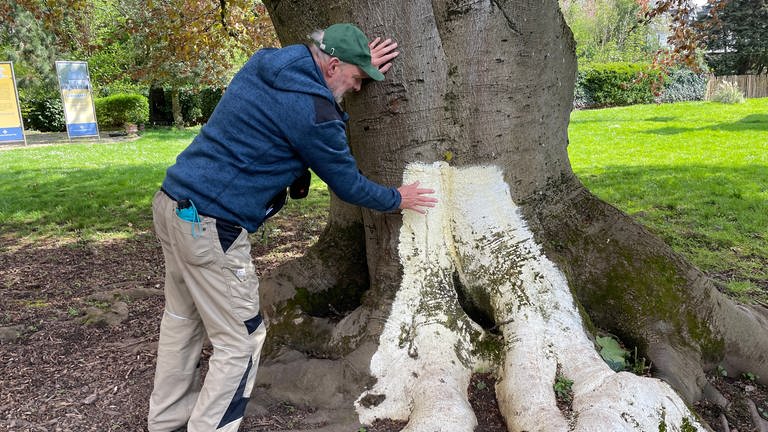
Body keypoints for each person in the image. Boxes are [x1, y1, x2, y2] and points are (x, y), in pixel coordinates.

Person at [147, 23, 437, 432]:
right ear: (333, 65)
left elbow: (307, 95)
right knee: (241, 341)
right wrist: (398, 198)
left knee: (182, 319)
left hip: (172, 203)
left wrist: (357, 60)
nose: (357, 88)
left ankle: (167, 420)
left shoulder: (267, 62)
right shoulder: (315, 113)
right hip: (211, 227)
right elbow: (348, 183)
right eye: (356, 79)